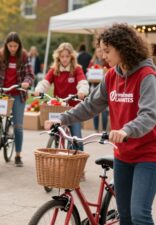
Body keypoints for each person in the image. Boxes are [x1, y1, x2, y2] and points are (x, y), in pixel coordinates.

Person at [45, 24, 156, 225]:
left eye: (108, 51)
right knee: (125, 216)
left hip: (148, 155)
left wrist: (126, 129)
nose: (104, 56)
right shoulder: (111, 76)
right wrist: (62, 118)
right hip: (123, 154)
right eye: (102, 51)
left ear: (123, 48)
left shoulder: (146, 75)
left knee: (139, 214)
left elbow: (149, 115)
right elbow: (90, 106)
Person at [0, 32, 34, 167]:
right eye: (10, 46)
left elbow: (29, 74)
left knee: (18, 127)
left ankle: (18, 155)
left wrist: (26, 82)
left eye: (15, 46)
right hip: (1, 92)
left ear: (19, 46)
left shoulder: (24, 56)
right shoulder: (1, 54)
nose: (13, 49)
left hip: (17, 93)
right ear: (6, 45)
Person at [34, 42, 89, 151]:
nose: (64, 59)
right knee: (55, 132)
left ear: (71, 57)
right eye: (62, 56)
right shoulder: (54, 69)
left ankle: (79, 162)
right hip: (58, 107)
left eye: (67, 56)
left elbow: (82, 82)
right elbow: (45, 82)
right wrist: (39, 90)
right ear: (58, 57)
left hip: (73, 109)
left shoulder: (77, 69)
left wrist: (82, 91)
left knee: (76, 138)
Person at [88, 47, 110, 132]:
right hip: (94, 87)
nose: (99, 53)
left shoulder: (107, 62)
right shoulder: (92, 62)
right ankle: (96, 128)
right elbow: (88, 73)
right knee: (95, 109)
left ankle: (104, 129)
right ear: (95, 53)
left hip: (105, 87)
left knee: (104, 110)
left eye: (100, 51)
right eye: (97, 51)